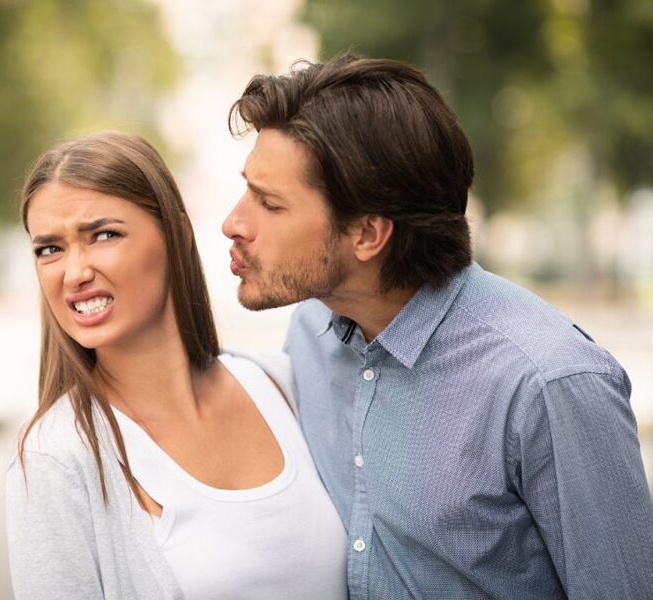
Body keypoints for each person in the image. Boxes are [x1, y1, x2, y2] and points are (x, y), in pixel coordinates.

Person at [222, 53, 653, 599]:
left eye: (269, 203)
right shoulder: (311, 329)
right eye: (247, 190)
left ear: (367, 234)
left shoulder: (549, 386)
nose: (233, 222)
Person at [5, 131, 348, 600]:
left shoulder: (281, 382)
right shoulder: (56, 458)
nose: (75, 272)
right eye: (50, 249)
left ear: (177, 234)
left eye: (104, 235)